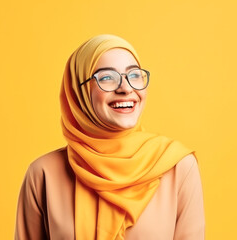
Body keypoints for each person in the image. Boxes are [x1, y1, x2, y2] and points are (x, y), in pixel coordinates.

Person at [15, 34, 205, 240]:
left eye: (134, 75)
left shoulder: (177, 167)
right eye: (106, 77)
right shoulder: (43, 174)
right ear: (79, 91)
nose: (126, 88)